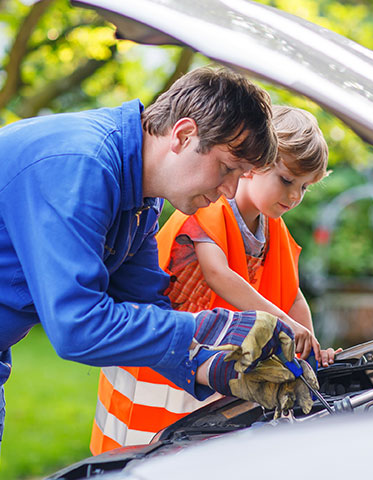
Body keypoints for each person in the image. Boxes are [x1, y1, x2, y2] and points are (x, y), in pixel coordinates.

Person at [0, 66, 317, 455]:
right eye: (227, 169)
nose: (230, 190)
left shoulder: (140, 198)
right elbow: (77, 325)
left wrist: (213, 366)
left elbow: (145, 305)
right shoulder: (85, 167)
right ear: (183, 135)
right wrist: (216, 328)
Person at [92, 106, 339, 453]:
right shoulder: (209, 204)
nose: (295, 196)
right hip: (162, 354)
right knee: (140, 451)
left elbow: (291, 293)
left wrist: (310, 344)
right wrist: (283, 322)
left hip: (210, 362)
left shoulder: (274, 228)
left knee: (196, 450)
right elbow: (218, 274)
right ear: (254, 166)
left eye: (304, 187)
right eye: (287, 180)